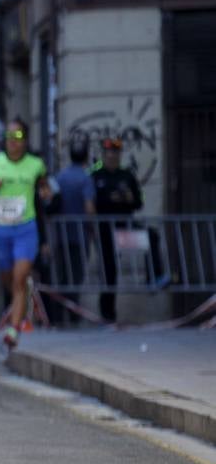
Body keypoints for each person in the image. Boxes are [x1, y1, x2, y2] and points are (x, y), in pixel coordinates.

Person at [0, 118, 51, 349]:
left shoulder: (36, 164)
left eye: (17, 137)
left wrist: (46, 192)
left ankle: (14, 329)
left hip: (26, 228)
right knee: (8, 278)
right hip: (1, 229)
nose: (12, 142)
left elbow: (45, 187)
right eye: (8, 137)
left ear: (26, 140)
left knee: (20, 278)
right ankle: (20, 303)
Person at [92, 136, 145, 324]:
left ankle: (157, 275)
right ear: (104, 155)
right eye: (109, 153)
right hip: (105, 230)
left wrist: (128, 198)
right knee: (109, 270)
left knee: (151, 238)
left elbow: (139, 202)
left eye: (115, 153)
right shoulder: (97, 175)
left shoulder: (127, 176)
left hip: (125, 229)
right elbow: (92, 203)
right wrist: (110, 200)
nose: (112, 156)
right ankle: (107, 313)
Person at [49, 137, 96, 323]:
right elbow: (89, 207)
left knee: (62, 275)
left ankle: (59, 316)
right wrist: (92, 228)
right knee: (75, 276)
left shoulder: (60, 176)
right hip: (80, 235)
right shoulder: (86, 178)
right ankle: (73, 316)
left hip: (60, 234)